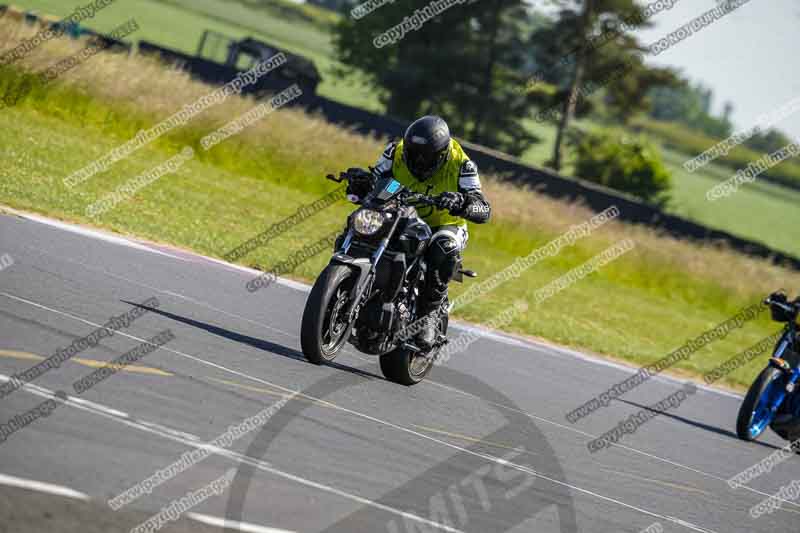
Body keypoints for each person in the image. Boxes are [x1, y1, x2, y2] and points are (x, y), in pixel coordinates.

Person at [344, 115, 491, 349]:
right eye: (414, 154)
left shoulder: (462, 164)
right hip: (403, 212)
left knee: (443, 247)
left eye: (427, 157)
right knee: (364, 220)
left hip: (444, 223)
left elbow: (483, 208)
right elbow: (381, 178)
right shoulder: (396, 151)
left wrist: (461, 202)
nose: (419, 161)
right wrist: (362, 180)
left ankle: (428, 318)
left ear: (442, 154)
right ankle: (349, 280)